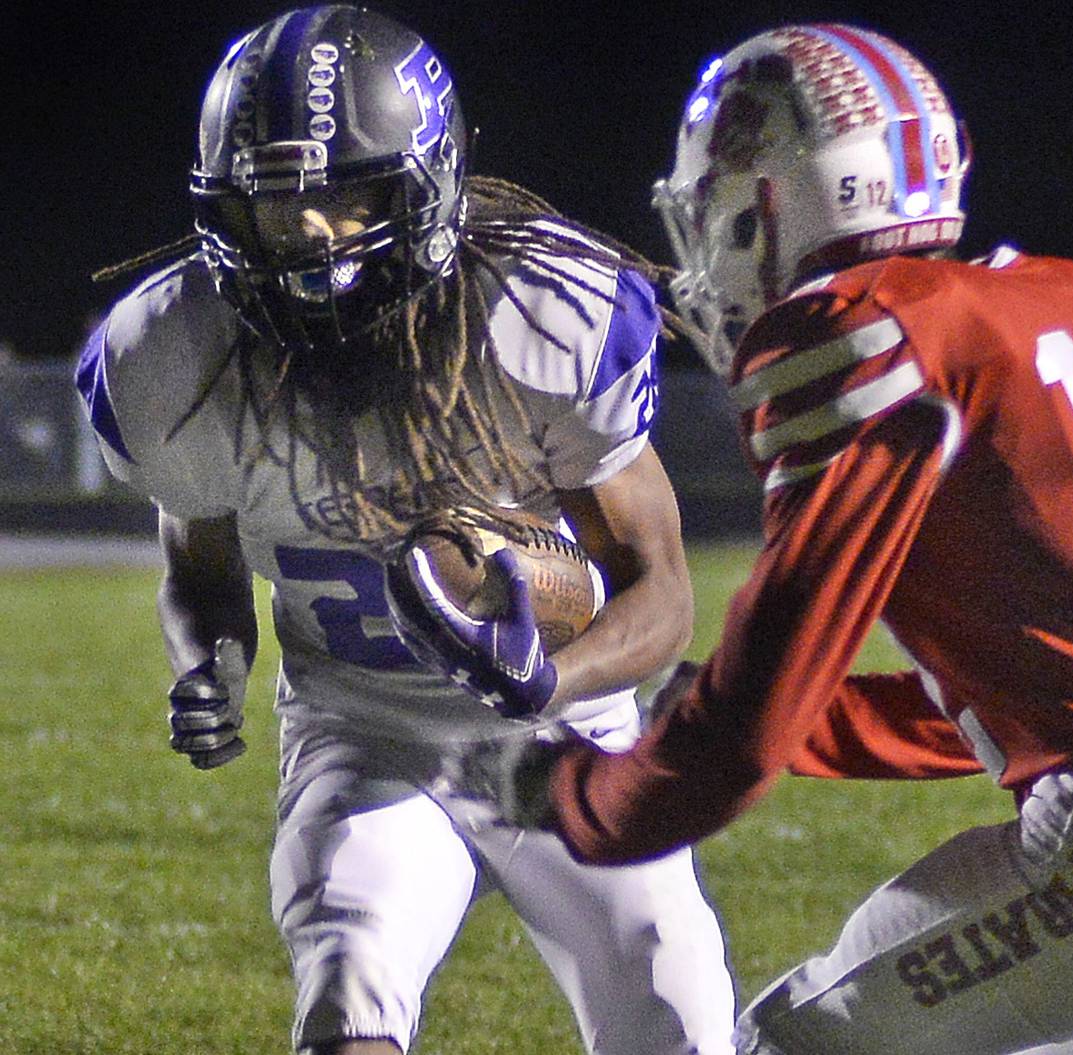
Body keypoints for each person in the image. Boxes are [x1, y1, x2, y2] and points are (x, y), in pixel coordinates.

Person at [473, 23, 1073, 1055]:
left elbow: (744, 737)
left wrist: (578, 793)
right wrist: (732, 707)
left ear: (770, 204)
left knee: (800, 1040)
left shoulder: (856, 329)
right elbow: (1030, 697)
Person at [74, 6, 736, 1054]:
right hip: (364, 734)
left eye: (346, 196)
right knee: (350, 987)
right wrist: (211, 656)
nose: (309, 239)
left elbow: (662, 592)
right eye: (273, 209)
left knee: (675, 1017)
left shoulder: (542, 314)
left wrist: (548, 681)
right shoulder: (176, 352)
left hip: (572, 735)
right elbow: (198, 566)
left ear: (429, 184)